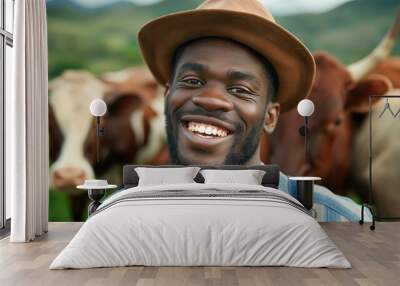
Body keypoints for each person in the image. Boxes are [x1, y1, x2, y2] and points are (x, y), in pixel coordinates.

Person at [137, 0, 371, 222]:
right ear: (167, 97)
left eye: (240, 89)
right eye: (192, 81)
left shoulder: (339, 219)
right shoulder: (117, 216)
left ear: (270, 117)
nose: (211, 100)